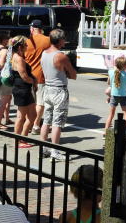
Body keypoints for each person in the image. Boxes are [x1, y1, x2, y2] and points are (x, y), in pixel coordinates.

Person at [39, 29, 77, 162]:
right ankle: (54, 151)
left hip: (47, 88)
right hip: (59, 90)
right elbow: (73, 74)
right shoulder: (60, 55)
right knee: (57, 123)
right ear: (60, 40)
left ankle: (43, 148)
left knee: (46, 120)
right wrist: (67, 73)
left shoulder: (44, 53)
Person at [10, 36, 39, 146]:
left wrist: (33, 80)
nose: (27, 46)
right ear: (20, 47)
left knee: (32, 115)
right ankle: (18, 140)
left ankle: (23, 137)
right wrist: (34, 82)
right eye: (25, 45)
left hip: (24, 89)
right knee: (21, 117)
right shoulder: (18, 58)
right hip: (21, 89)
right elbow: (24, 77)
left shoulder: (18, 56)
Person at [24, 20, 51, 134]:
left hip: (27, 76)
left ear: (32, 29)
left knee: (29, 102)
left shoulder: (26, 41)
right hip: (40, 75)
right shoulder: (47, 40)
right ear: (41, 29)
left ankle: (28, 124)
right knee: (40, 102)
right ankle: (36, 125)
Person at [0, 30, 14, 130]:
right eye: (8, 37)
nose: (10, 39)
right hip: (3, 79)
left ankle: (7, 118)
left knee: (8, 99)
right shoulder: (4, 51)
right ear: (4, 39)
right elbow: (1, 66)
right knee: (3, 101)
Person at [104, 55, 126, 134]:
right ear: (125, 66)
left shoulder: (111, 72)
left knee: (111, 114)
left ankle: (106, 132)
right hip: (123, 96)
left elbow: (108, 83)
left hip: (114, 96)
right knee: (125, 114)